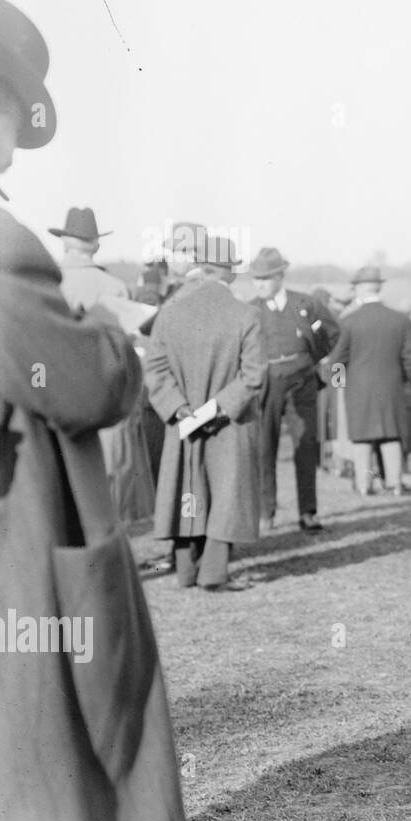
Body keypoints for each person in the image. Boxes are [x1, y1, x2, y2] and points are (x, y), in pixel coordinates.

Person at [0, 0, 186, 821]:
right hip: (14, 547)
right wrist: (105, 329)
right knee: (59, 773)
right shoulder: (0, 246)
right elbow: (88, 386)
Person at [145, 235, 266, 591]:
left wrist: (179, 408)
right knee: (226, 492)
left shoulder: (170, 312)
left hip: (181, 420)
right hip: (229, 421)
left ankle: (186, 570)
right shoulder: (247, 315)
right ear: (231, 273)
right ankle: (213, 572)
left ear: (200, 267)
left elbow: (155, 369)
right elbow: (253, 376)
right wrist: (218, 408)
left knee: (187, 488)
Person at [52, 207, 158, 524]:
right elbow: (130, 351)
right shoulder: (114, 287)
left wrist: (38, 385)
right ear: (96, 244)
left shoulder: (48, 283)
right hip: (107, 392)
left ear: (64, 242)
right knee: (114, 469)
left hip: (58, 392)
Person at [249, 246, 340, 532]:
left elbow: (332, 333)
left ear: (280, 276)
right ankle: (266, 512)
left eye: (265, 278)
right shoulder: (250, 310)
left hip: (302, 382)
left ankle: (308, 512)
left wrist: (310, 359)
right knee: (265, 447)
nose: (259, 284)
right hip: (266, 383)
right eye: (256, 279)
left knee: (305, 445)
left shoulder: (306, 304)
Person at [327, 265, 411, 496]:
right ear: (380, 287)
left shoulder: (349, 321)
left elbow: (337, 360)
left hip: (357, 389)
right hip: (392, 387)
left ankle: (363, 484)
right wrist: (402, 381)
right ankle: (395, 484)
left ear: (360, 289)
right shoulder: (400, 320)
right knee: (391, 433)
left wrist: (340, 385)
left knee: (361, 436)